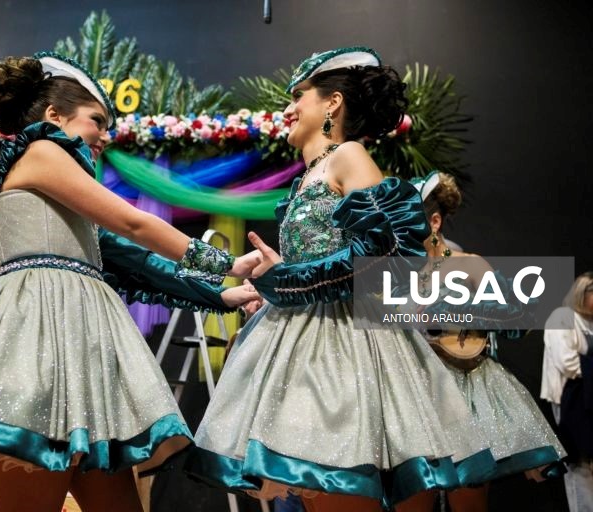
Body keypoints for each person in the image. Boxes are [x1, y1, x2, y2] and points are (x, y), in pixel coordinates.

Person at [0, 51, 262, 512]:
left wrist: (222, 294)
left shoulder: (64, 182)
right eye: (97, 120)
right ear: (53, 115)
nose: (105, 137)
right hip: (41, 342)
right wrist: (225, 263)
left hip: (79, 353)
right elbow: (134, 225)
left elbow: (128, 257)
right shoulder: (43, 151)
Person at [186, 47, 495, 512]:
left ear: (332, 103)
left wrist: (287, 280)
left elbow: (388, 253)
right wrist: (268, 281)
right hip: (303, 346)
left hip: (346, 349)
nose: (288, 108)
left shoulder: (348, 155)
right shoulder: (308, 177)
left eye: (298, 96)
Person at [411, 171, 566, 511]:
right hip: (413, 394)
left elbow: (519, 317)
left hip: (463, 394)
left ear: (434, 222)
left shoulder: (469, 265)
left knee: (468, 498)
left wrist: (454, 313)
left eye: (408, 222)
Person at [543, 272, 593, 512]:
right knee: (579, 464)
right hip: (570, 401)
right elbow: (567, 363)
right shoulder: (563, 317)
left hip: (589, 399)